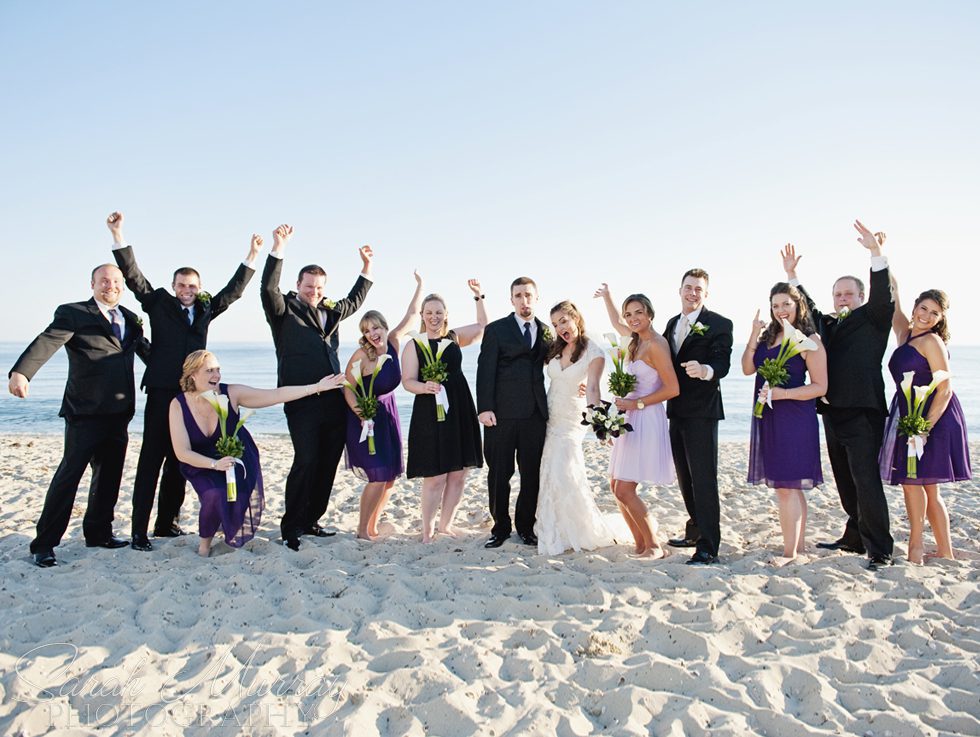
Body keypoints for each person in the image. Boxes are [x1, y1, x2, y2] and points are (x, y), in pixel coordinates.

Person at [107, 211, 259, 551]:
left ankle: (167, 523)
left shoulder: (205, 308)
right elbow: (134, 278)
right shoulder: (159, 303)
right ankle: (138, 532)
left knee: (182, 460)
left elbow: (232, 293)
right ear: (174, 287)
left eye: (192, 286)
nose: (186, 291)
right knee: (152, 459)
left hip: (195, 396)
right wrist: (119, 236)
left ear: (198, 288)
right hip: (163, 393)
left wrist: (252, 256)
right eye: (181, 285)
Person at [8, 264, 148, 567]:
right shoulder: (74, 313)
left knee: (109, 478)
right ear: (93, 284)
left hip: (119, 413)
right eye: (104, 281)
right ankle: (43, 544)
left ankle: (99, 533)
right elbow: (47, 341)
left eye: (115, 281)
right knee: (68, 478)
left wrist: (188, 378)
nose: (110, 286)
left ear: (122, 286)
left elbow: (150, 355)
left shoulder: (132, 319)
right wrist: (22, 372)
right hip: (84, 413)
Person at [784, 222, 896, 571]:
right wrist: (792, 275)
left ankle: (880, 548)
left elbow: (884, 295)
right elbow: (809, 308)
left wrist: (876, 255)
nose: (842, 299)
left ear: (860, 297)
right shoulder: (828, 325)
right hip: (832, 413)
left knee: (866, 481)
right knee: (845, 481)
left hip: (864, 413)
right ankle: (854, 536)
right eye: (838, 294)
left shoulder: (875, 318)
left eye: (848, 294)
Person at [260, 224, 373, 551]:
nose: (314, 291)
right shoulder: (284, 312)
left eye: (319, 287)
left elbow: (354, 301)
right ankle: (291, 525)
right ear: (298, 285)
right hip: (301, 400)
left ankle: (312, 519)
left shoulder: (330, 312)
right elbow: (268, 288)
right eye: (309, 286)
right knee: (306, 460)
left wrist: (366, 269)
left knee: (326, 463)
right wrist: (277, 248)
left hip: (334, 401)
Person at [169, 350, 346, 557]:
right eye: (209, 371)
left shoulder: (231, 393)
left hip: (237, 457)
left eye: (218, 369)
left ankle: (225, 527)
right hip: (200, 461)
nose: (216, 375)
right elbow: (182, 452)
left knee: (238, 495)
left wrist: (316, 387)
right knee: (213, 494)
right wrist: (215, 465)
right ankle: (204, 544)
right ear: (192, 375)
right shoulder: (178, 405)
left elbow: (275, 395)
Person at [879, 287, 971, 563]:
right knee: (918, 484)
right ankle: (939, 549)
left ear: (941, 319)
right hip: (908, 411)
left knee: (920, 484)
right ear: (915, 306)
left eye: (934, 313)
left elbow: (944, 390)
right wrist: (878, 253)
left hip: (934, 415)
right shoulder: (905, 334)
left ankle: (921, 547)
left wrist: (923, 428)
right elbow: (893, 297)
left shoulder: (932, 341)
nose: (927, 316)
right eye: (923, 309)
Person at [742, 282, 827, 566]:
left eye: (786, 305)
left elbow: (820, 386)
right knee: (790, 486)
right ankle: (798, 549)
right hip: (770, 416)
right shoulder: (769, 337)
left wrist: (784, 394)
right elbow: (747, 368)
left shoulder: (810, 338)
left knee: (787, 487)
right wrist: (754, 333)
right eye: (776, 305)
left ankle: (790, 553)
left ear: (798, 305)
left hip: (794, 418)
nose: (780, 311)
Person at [402, 281, 487, 543]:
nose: (434, 317)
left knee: (459, 473)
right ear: (423, 315)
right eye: (429, 312)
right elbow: (407, 381)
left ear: (446, 314)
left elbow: (483, 327)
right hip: (429, 411)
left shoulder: (453, 338)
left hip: (459, 407)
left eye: (439, 312)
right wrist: (424, 387)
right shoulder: (414, 344)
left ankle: (445, 525)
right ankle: (427, 531)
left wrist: (478, 297)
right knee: (435, 476)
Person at [597, 289, 679, 558]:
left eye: (638, 313)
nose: (633, 318)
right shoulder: (635, 342)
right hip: (630, 417)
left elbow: (672, 388)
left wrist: (637, 403)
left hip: (646, 417)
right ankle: (640, 544)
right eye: (628, 314)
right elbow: (615, 324)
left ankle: (654, 545)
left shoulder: (656, 344)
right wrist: (608, 298)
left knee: (625, 488)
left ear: (650, 314)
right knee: (615, 486)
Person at [343, 274, 424, 540]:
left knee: (389, 479)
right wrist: (361, 414)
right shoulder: (361, 355)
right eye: (366, 331)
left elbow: (413, 313)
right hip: (365, 419)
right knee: (377, 477)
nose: (372, 334)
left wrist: (419, 286)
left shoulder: (394, 341)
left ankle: (372, 526)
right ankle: (361, 530)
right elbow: (347, 387)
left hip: (388, 416)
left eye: (375, 328)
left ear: (384, 327)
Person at [661, 269, 734, 564]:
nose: (693, 293)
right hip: (676, 409)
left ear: (706, 294)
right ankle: (694, 528)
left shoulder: (719, 323)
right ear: (679, 290)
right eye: (688, 288)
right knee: (685, 476)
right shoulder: (671, 324)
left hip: (703, 412)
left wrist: (705, 370)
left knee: (704, 478)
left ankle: (708, 545)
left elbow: (722, 362)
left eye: (698, 289)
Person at [532, 301, 614, 555]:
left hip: (572, 421)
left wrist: (600, 423)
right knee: (548, 469)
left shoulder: (594, 351)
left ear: (576, 318)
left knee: (564, 468)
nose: (560, 328)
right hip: (550, 416)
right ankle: (552, 524)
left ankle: (576, 528)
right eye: (556, 324)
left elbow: (593, 389)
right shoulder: (556, 349)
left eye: (564, 321)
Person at [476, 277, 551, 548]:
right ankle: (500, 527)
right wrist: (484, 408)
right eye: (518, 295)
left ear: (536, 297)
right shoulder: (497, 330)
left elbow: (562, 362)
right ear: (511, 300)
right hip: (501, 415)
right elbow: (485, 369)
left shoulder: (546, 331)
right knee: (499, 473)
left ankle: (526, 527)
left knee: (531, 474)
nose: (524, 300)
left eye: (528, 295)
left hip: (534, 415)